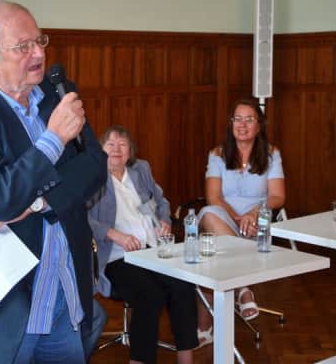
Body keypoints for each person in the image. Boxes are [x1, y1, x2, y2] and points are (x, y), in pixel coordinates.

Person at [0, 1, 108, 364]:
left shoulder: (58, 95)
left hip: (63, 295)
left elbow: (94, 166)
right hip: (4, 309)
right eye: (23, 46)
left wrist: (40, 202)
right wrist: (53, 139)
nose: (38, 53)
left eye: (39, 41)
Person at [88, 125, 198, 364]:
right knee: (150, 293)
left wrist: (164, 221)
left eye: (122, 144)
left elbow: (161, 201)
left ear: (130, 151)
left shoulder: (141, 169)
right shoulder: (93, 177)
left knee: (183, 284)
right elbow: (81, 217)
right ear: (100, 150)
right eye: (110, 144)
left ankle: (186, 357)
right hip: (117, 257)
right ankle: (140, 360)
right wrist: (113, 234)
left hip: (153, 251)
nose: (116, 149)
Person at [195, 98, 285, 344]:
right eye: (237, 119)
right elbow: (214, 197)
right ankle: (243, 287)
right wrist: (238, 217)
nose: (242, 125)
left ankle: (205, 327)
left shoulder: (271, 154)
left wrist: (254, 213)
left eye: (249, 119)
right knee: (209, 214)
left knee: (214, 253)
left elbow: (277, 197)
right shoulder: (217, 154)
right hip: (223, 218)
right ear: (230, 123)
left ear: (259, 125)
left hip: (257, 223)